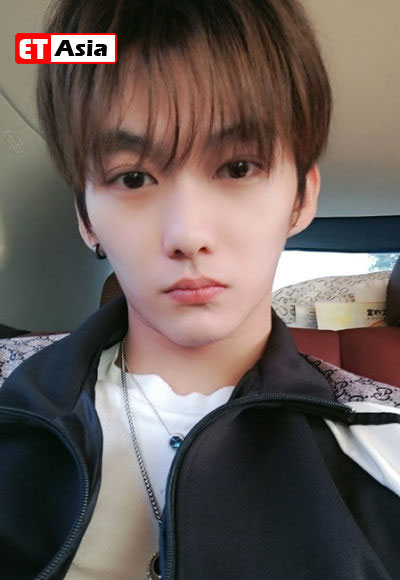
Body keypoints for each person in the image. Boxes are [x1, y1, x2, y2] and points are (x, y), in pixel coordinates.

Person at [1, 1, 400, 578]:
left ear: (302, 197)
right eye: (133, 177)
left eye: (238, 167)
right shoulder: (11, 394)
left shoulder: (384, 442)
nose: (188, 234)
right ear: (86, 217)